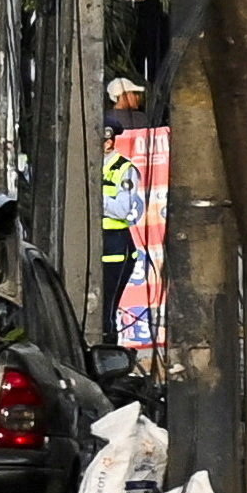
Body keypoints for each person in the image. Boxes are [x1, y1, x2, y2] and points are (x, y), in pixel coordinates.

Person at [101, 133, 142, 342]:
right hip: (93, 243)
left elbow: (122, 209)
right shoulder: (86, 165)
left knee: (106, 309)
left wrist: (95, 196)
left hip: (115, 247)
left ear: (108, 142)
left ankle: (108, 355)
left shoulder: (124, 169)